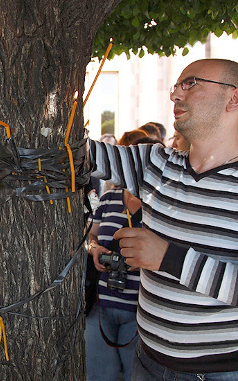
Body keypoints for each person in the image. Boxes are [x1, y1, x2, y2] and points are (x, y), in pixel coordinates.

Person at [90, 58, 238, 379]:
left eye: (191, 83)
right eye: (175, 86)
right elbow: (79, 154)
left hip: (220, 370)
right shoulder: (156, 162)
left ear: (233, 98)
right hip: (149, 359)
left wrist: (166, 257)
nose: (175, 95)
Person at [85, 131, 145, 381]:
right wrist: (94, 249)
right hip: (100, 304)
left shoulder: (164, 205)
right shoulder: (108, 198)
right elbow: (90, 237)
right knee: (100, 376)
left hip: (141, 310)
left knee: (137, 374)